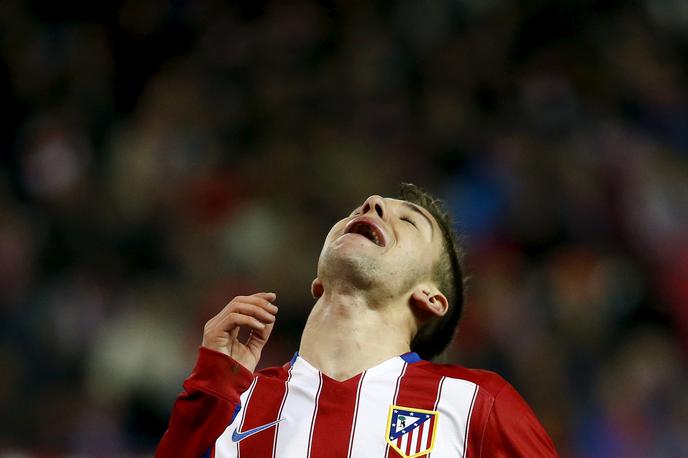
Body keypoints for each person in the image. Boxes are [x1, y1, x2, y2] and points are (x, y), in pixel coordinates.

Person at [155, 183, 558, 458]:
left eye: (410, 220)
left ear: (430, 298)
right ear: (318, 281)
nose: (372, 204)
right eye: (362, 208)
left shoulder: (475, 403)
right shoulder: (232, 403)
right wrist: (212, 387)